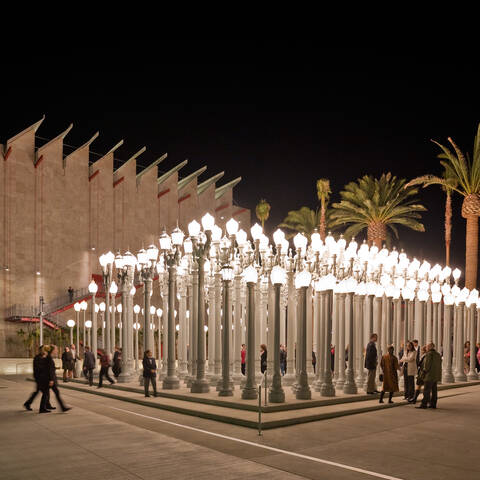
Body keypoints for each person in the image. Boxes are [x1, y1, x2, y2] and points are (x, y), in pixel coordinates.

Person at [39, 345, 71, 413]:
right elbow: (49, 370)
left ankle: (43, 408)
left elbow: (49, 368)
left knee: (47, 394)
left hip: (49, 379)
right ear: (52, 350)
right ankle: (62, 407)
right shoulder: (49, 358)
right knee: (51, 393)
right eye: (56, 349)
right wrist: (51, 380)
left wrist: (55, 368)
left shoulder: (48, 357)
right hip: (50, 379)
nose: (57, 350)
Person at [24, 345, 54, 411]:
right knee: (45, 392)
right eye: (44, 350)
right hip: (39, 378)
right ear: (41, 350)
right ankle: (42, 407)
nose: (45, 352)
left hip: (42, 377)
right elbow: (40, 368)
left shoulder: (42, 357)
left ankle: (46, 404)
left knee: (40, 391)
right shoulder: (37, 358)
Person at [417, 342, 442, 409]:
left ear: (431, 347)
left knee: (426, 390)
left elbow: (426, 365)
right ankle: (433, 404)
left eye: (427, 347)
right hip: (435, 376)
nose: (426, 348)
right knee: (434, 391)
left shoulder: (429, 354)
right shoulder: (438, 354)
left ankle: (424, 404)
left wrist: (423, 373)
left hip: (429, 375)